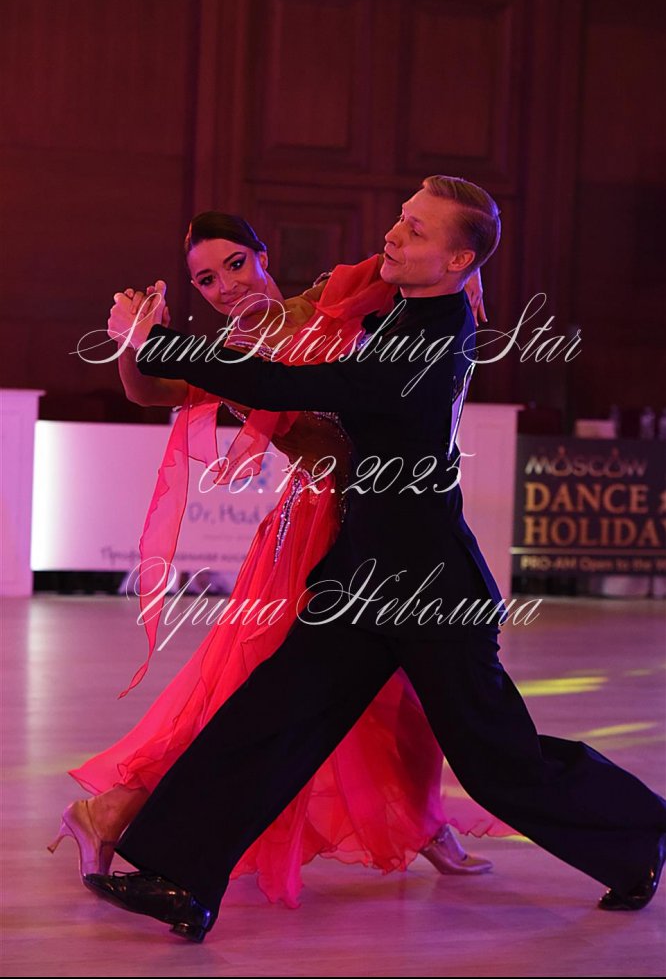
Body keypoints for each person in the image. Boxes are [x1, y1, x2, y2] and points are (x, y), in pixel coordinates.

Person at [87, 176, 666, 943]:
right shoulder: (406, 309)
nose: (393, 234)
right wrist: (150, 343)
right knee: (272, 713)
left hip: (429, 589)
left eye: (416, 230)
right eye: (401, 218)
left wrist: (157, 340)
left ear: (457, 261)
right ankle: (179, 875)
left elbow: (284, 382)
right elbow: (328, 315)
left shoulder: (427, 342)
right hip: (365, 573)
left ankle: (640, 833)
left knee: (499, 764)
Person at [49, 212, 512, 909]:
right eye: (207, 280)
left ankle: (423, 823)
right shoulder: (226, 352)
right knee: (250, 694)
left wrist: (469, 277)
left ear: (263, 256)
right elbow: (146, 389)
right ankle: (111, 811)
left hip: (383, 519)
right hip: (308, 530)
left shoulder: (330, 298)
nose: (227, 286)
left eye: (236, 263)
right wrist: (132, 339)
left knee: (404, 698)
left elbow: (419, 266)